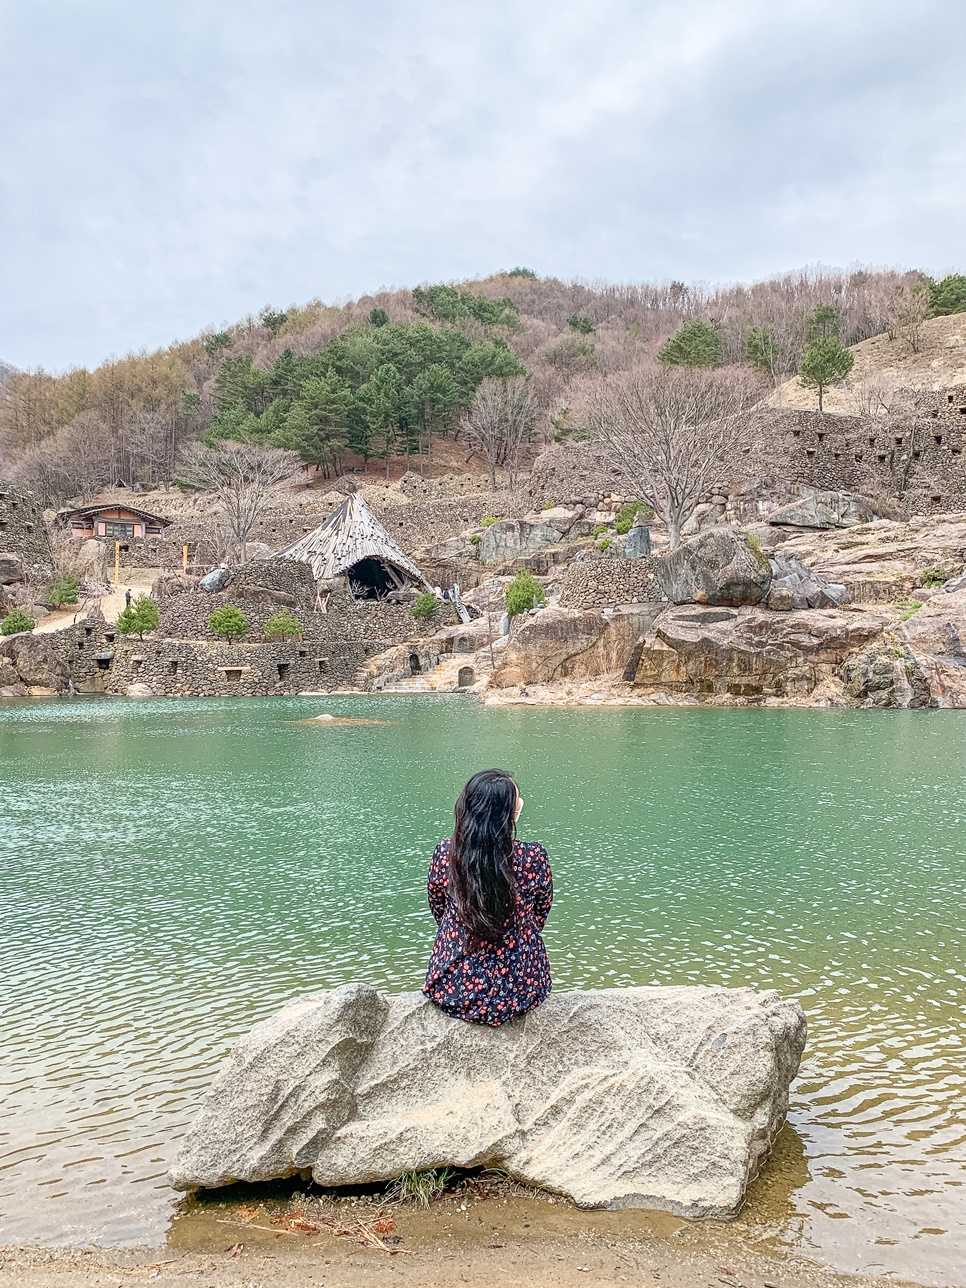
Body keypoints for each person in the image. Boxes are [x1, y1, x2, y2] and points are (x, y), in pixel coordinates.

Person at [423, 768, 552, 1026]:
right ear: (510, 813)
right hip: (521, 987)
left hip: (456, 984)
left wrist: (467, 927)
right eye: (518, 799)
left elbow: (438, 906)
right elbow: (540, 913)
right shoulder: (533, 858)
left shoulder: (445, 854)